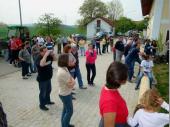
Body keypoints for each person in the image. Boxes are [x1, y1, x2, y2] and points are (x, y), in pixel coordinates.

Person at [99, 62, 129, 127]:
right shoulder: (109, 103)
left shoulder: (109, 88)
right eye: (126, 75)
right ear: (120, 81)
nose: (128, 76)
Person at [57, 53, 75, 127]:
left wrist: (72, 80)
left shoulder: (64, 68)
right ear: (64, 61)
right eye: (68, 59)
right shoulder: (62, 72)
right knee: (70, 111)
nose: (70, 60)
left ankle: (65, 124)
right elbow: (71, 84)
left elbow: (71, 78)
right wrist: (73, 81)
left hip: (66, 92)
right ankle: (65, 125)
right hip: (65, 94)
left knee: (65, 110)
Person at [36, 46, 57, 111]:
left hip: (48, 77)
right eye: (44, 51)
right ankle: (42, 105)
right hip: (42, 79)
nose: (46, 52)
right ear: (41, 52)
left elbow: (55, 59)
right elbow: (42, 64)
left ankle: (47, 101)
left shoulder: (48, 56)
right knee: (43, 92)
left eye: (46, 51)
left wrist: (53, 54)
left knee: (49, 90)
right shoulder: (38, 57)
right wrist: (45, 55)